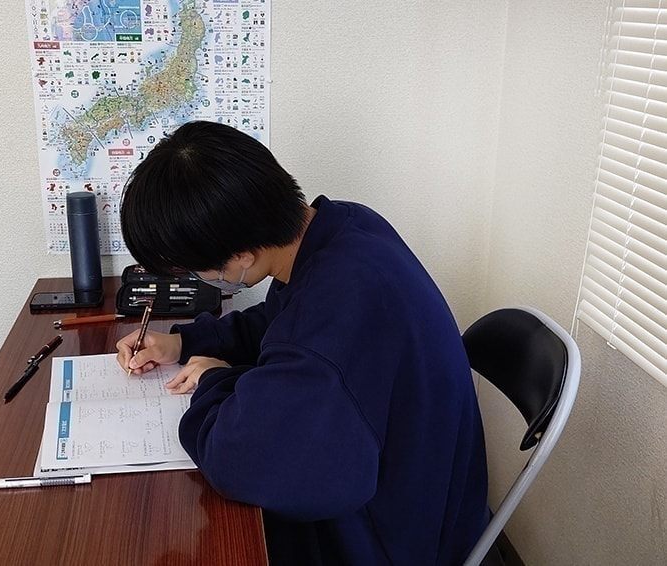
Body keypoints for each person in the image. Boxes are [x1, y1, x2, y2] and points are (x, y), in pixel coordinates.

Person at [116, 120, 488, 565]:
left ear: (241, 256)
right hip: (428, 482)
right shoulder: (344, 227)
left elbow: (243, 461)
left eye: (195, 271)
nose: (199, 279)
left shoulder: (330, 320)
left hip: (397, 535)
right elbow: (278, 320)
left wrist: (215, 379)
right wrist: (182, 343)